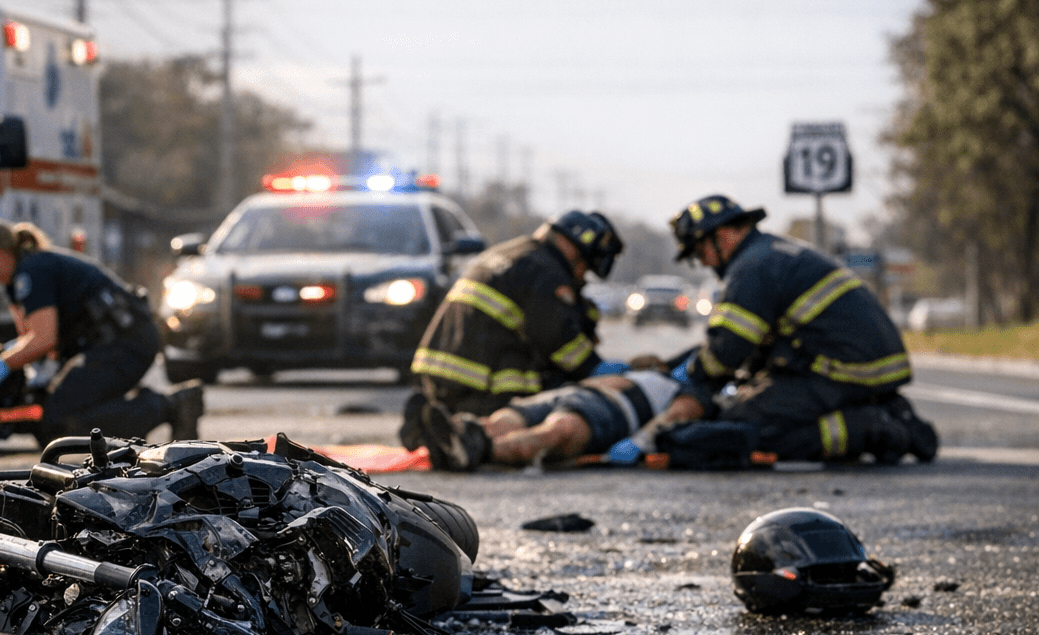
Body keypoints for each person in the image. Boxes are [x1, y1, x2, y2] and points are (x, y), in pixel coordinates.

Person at [667, 194, 938, 463]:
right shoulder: (770, 253)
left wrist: (688, 384)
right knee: (751, 401)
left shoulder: (750, 268)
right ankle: (889, 412)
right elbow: (753, 349)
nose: (703, 262)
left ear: (723, 235)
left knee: (741, 429)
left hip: (840, 370)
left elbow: (726, 352)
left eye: (700, 252)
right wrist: (671, 365)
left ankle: (872, 427)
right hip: (860, 366)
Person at [0, 219, 203, 443]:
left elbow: (43, 340)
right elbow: (32, 339)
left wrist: (2, 363)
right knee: (54, 415)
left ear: (0, 255)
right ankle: (151, 406)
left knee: (60, 418)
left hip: (126, 343)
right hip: (116, 343)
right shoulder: (18, 277)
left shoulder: (32, 270)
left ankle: (169, 406)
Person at [400, 210, 628, 450]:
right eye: (585, 265)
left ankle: (430, 418)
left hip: (439, 375)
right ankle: (466, 434)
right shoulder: (545, 271)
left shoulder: (512, 252)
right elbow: (559, 341)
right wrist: (598, 370)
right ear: (573, 247)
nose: (582, 275)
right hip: (479, 383)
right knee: (548, 397)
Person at [415, 368, 705, 471]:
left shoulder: (694, 391)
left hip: (612, 410)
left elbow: (680, 413)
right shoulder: (662, 374)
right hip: (579, 392)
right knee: (507, 418)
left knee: (553, 434)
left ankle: (477, 449)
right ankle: (464, 433)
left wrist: (639, 443)